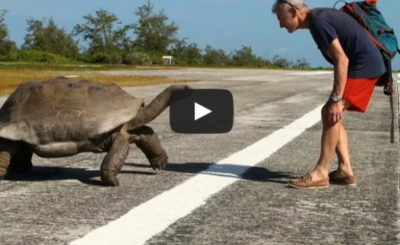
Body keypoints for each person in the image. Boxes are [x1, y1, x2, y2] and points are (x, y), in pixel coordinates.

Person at [271, 0, 386, 189]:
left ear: (293, 11)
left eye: (281, 19)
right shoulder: (319, 19)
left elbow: (341, 59)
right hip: (364, 65)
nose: (281, 25)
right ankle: (345, 170)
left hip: (364, 66)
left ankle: (321, 173)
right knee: (332, 114)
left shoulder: (319, 21)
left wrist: (336, 99)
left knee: (330, 112)